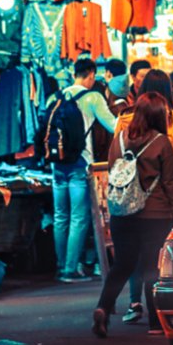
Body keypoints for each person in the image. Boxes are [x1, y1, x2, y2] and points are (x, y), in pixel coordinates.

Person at [91, 93, 173, 338]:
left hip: (122, 213)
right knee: (153, 267)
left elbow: (113, 172)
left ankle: (103, 307)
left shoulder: (119, 139)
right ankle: (155, 323)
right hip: (156, 214)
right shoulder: (162, 142)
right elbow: (171, 182)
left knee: (122, 264)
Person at [45, 57, 117, 282]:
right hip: (80, 163)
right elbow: (113, 126)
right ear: (91, 75)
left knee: (60, 216)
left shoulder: (55, 97)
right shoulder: (93, 97)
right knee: (79, 217)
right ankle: (70, 269)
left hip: (57, 164)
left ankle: (60, 265)